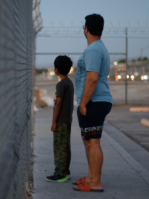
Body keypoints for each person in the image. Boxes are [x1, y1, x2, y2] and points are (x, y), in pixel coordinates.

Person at [73, 14, 113, 192]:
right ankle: (90, 177)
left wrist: (83, 103)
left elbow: (92, 79)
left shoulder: (93, 50)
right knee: (88, 140)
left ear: (86, 29)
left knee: (93, 142)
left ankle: (95, 182)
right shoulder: (97, 47)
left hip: (94, 102)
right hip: (94, 101)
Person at [46, 55, 74, 183]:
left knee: (59, 147)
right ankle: (66, 172)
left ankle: (60, 173)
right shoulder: (69, 82)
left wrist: (53, 122)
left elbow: (58, 104)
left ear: (56, 70)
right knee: (65, 146)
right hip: (67, 120)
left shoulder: (60, 85)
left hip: (60, 121)